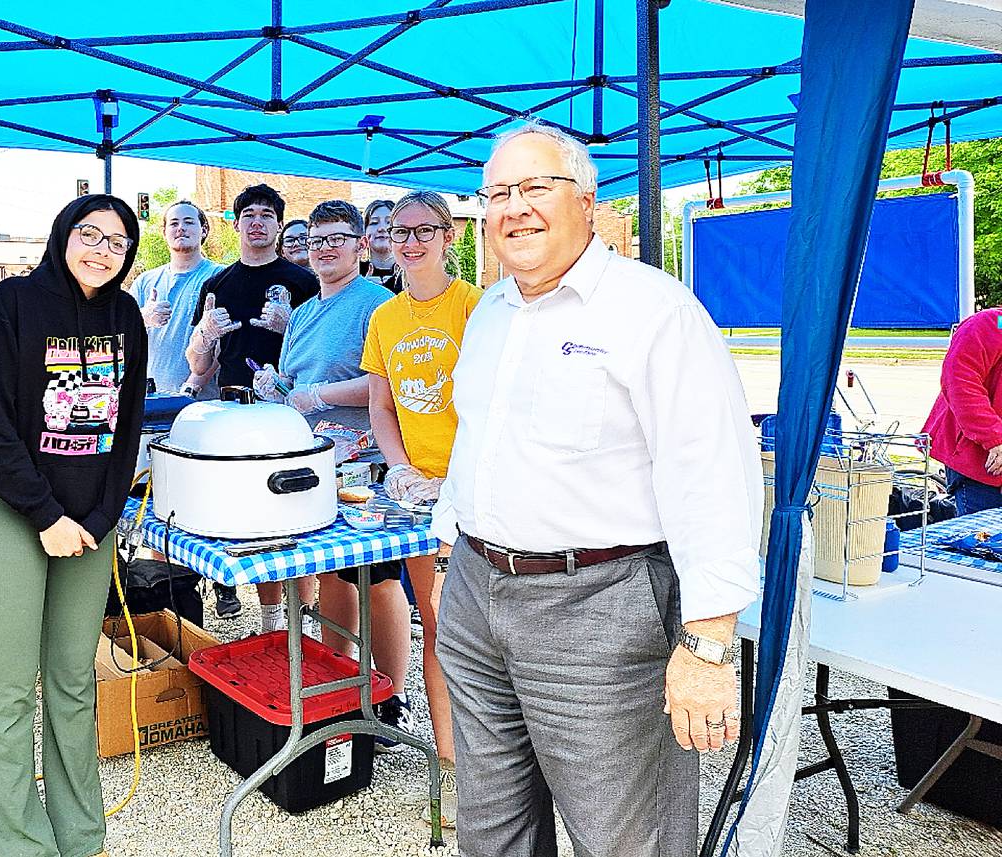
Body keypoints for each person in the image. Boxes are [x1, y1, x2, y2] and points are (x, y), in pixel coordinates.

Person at [432, 124, 762, 857]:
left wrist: (707, 647)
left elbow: (714, 478)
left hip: (602, 607)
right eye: (496, 193)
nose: (512, 208)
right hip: (479, 595)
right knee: (491, 828)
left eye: (534, 187)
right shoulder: (491, 312)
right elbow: (477, 440)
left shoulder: (655, 312)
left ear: (588, 200)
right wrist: (454, 549)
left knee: (625, 837)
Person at [0, 194, 146, 857]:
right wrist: (45, 513)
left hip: (87, 528)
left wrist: (99, 517)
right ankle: (16, 842)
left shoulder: (125, 317)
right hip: (10, 516)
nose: (101, 248)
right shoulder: (13, 303)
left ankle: (80, 833)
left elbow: (125, 432)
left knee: (72, 682)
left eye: (117, 241)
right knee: (9, 690)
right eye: (89, 233)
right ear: (63, 234)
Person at [252, 200, 413, 746]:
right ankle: (338, 675)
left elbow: (383, 387)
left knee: (380, 578)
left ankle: (393, 694)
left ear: (361, 246)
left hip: (365, 464)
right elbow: (297, 379)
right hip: (315, 462)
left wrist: (317, 393)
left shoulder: (379, 305)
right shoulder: (301, 312)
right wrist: (277, 385)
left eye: (337, 238)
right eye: (317, 239)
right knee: (329, 572)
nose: (324, 248)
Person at [361, 190, 482, 824]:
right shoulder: (385, 318)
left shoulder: (478, 307)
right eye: (397, 230)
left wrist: (457, 481)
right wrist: (402, 469)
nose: (410, 241)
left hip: (476, 497)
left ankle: (496, 768)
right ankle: (450, 767)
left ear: (449, 235)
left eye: (422, 230)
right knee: (435, 626)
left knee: (480, 635)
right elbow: (383, 406)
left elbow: (497, 411)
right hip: (415, 499)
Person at [186, 183, 317, 620]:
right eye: (249, 215)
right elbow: (198, 361)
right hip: (231, 411)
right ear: (236, 223)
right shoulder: (216, 283)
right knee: (256, 518)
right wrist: (206, 333)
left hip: (289, 414)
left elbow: (317, 351)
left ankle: (304, 615)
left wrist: (287, 329)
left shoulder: (303, 282)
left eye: (266, 215)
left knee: (296, 511)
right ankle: (269, 619)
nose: (257, 222)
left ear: (279, 225)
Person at [133, 200, 223, 397]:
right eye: (174, 223)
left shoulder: (221, 277)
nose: (181, 228)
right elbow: (119, 335)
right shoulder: (145, 281)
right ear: (164, 232)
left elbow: (225, 344)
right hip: (149, 400)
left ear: (204, 230)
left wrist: (191, 388)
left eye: (189, 222)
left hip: (199, 402)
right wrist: (142, 318)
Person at [923, 308, 1002, 515]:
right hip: (981, 465)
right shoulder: (993, 323)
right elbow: (960, 380)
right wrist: (995, 438)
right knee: (980, 542)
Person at [360, 199, 402, 293]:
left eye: (389, 222)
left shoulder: (413, 273)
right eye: (374, 223)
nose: (382, 228)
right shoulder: (352, 273)